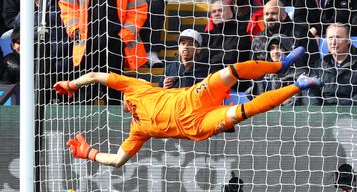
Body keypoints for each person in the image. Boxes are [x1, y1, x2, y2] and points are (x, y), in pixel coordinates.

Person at [56, 47, 319, 167]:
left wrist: (71, 84)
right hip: (197, 125)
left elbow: (94, 76)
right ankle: (299, 84)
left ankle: (279, 66)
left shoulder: (137, 88)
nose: (126, 104)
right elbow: (117, 161)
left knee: (231, 71)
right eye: (124, 106)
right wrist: (90, 153)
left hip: (194, 97)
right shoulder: (138, 131)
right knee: (244, 111)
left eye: (125, 102)